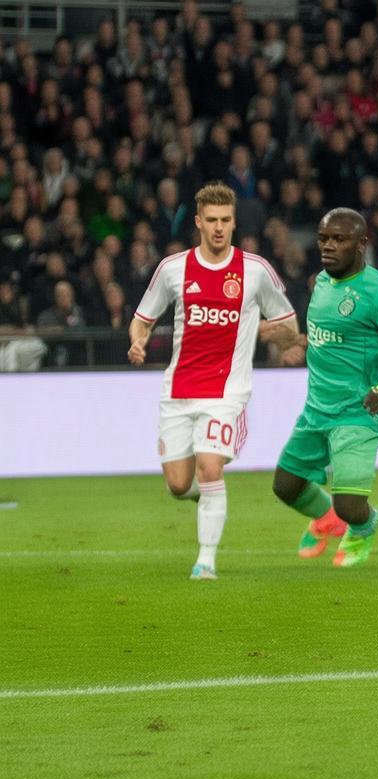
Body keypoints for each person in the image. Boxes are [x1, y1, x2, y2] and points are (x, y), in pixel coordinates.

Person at [129, 183, 301, 580]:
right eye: (212, 220)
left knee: (209, 466)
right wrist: (138, 341)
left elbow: (288, 323)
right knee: (178, 485)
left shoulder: (255, 270)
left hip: (227, 393)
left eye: (225, 220)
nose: (219, 228)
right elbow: (142, 318)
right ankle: (208, 498)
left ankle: (205, 561)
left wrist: (276, 335)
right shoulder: (173, 269)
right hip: (178, 391)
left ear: (234, 222)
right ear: (198, 222)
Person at [271, 208, 378, 567]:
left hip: (359, 411)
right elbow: (332, 338)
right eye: (324, 238)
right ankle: (327, 520)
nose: (328, 246)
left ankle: (365, 526)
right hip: (317, 409)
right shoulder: (322, 282)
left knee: (350, 505)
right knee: (285, 486)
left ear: (362, 244)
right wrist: (300, 344)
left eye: (339, 239)